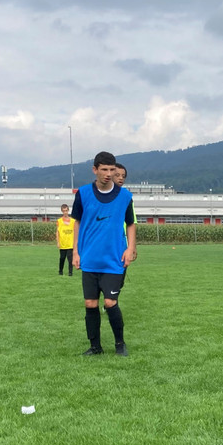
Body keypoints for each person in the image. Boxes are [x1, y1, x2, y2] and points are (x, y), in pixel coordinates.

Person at [71, 151, 137, 357]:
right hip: (90, 258)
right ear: (95, 170)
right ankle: (95, 347)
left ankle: (120, 344)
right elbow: (77, 222)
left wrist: (130, 248)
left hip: (114, 258)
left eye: (112, 170)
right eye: (104, 170)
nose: (109, 174)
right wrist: (75, 251)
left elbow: (131, 224)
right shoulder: (82, 194)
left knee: (110, 303)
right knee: (90, 304)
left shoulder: (125, 196)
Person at [56, 204, 74, 276]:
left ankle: (70, 272)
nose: (65, 212)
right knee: (62, 258)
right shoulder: (59, 221)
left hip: (70, 244)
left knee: (70, 259)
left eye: (66, 210)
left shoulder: (73, 221)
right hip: (63, 244)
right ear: (62, 211)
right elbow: (57, 232)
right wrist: (58, 242)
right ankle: (60, 271)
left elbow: (76, 232)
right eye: (64, 211)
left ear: (68, 210)